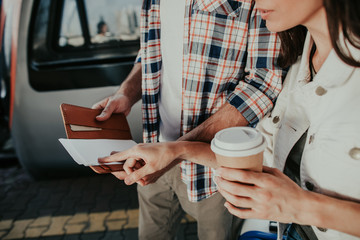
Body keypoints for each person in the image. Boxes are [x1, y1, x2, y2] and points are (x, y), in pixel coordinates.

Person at [100, 0, 360, 239]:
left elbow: (262, 84)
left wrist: (298, 206)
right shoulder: (299, 65)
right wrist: (174, 150)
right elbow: (265, 155)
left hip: (206, 175)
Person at [93, 0, 284, 239]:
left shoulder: (260, 2)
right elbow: (150, 53)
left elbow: (264, 82)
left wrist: (176, 150)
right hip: (152, 149)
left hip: (214, 165)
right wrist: (125, 93)